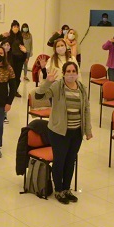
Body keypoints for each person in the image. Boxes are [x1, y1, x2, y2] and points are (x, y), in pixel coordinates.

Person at [35, 61, 92, 204]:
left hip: (76, 132)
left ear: (77, 73)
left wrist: (88, 130)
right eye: (68, 71)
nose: (71, 74)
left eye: (74, 71)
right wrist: (47, 82)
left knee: (70, 161)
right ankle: (58, 190)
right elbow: (39, 95)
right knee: (60, 161)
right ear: (64, 73)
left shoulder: (82, 89)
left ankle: (67, 189)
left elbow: (86, 109)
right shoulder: (57, 86)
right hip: (59, 132)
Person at [0, 20, 27, 97]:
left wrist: (25, 53)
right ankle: (5, 90)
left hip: (19, 59)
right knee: (8, 75)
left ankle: (14, 91)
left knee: (17, 76)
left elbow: (22, 48)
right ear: (11, 28)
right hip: (10, 59)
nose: (16, 28)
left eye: (17, 27)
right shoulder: (8, 36)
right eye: (14, 27)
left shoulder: (20, 37)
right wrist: (2, 36)